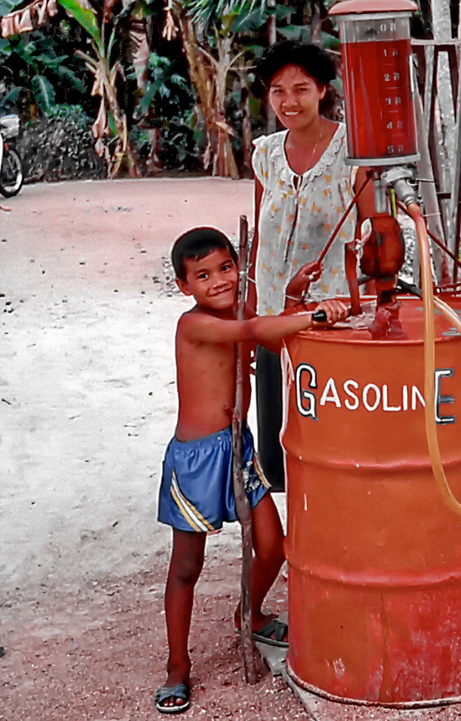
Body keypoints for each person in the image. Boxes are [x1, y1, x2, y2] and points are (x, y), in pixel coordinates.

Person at [155, 226, 348, 715]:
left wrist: (291, 298)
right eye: (202, 275)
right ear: (184, 285)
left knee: (274, 546)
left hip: (238, 449)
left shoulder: (243, 310)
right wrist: (316, 313)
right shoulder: (192, 324)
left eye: (226, 268)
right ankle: (178, 666)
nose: (218, 281)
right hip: (197, 459)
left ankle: (251, 613)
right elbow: (252, 333)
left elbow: (269, 337)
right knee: (186, 568)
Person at [250, 41, 375, 490]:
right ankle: (296, 541)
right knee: (278, 444)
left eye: (300, 89)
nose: (289, 102)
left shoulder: (351, 151)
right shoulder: (264, 154)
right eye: (278, 91)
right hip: (271, 317)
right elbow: (261, 241)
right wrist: (250, 315)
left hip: (330, 320)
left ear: (322, 90)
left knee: (328, 439)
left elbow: (372, 230)